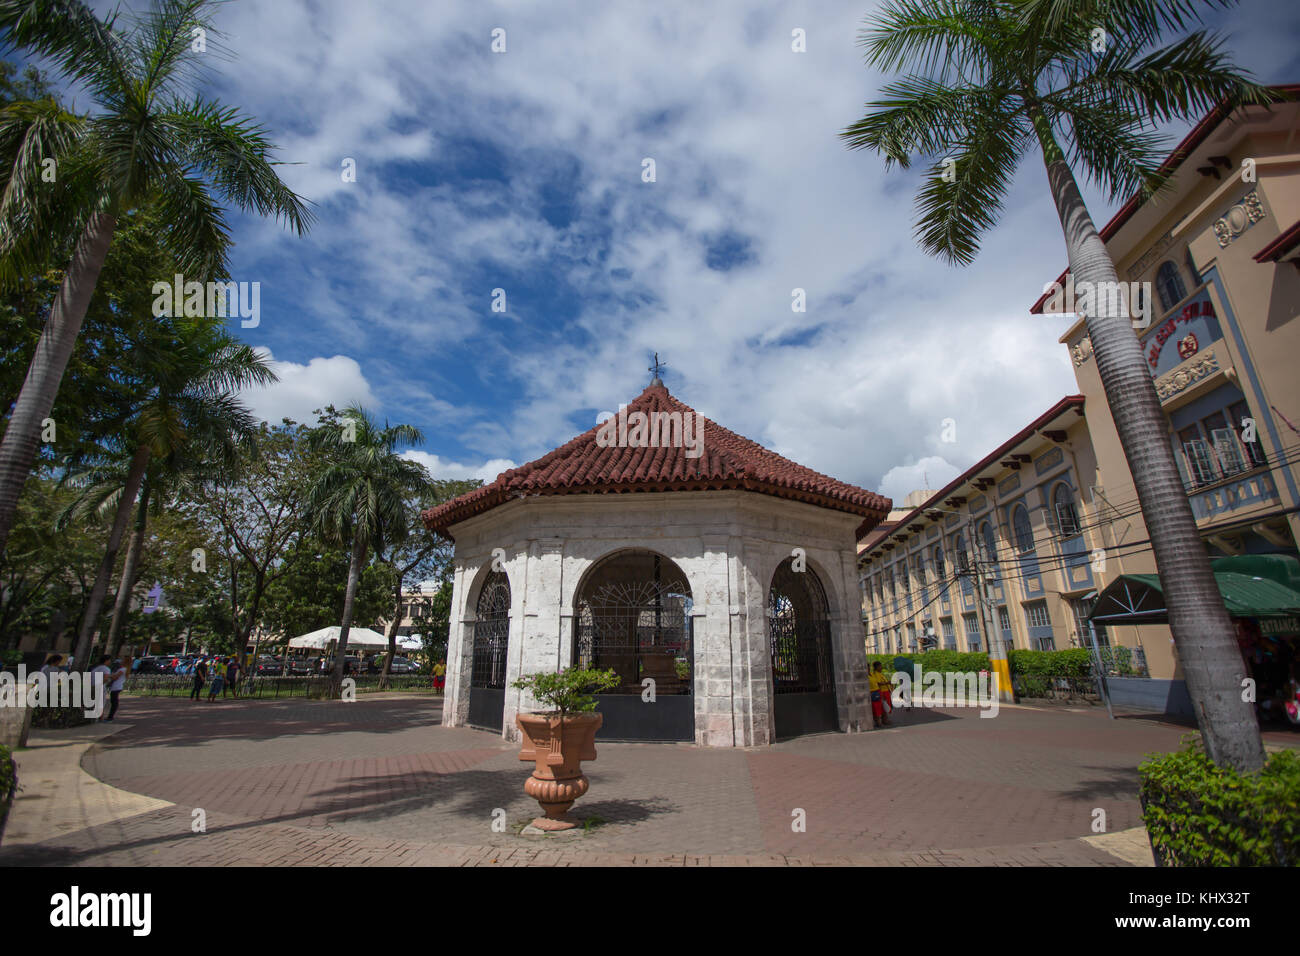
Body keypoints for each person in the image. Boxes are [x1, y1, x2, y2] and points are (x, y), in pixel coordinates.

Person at [869, 662, 891, 727]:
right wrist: (887, 683)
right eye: (880, 666)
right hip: (882, 691)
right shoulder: (876, 674)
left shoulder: (879, 674)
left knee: (885, 706)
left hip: (885, 691)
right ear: (876, 667)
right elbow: (878, 683)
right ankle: (882, 720)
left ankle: (885, 719)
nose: (881, 667)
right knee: (882, 707)